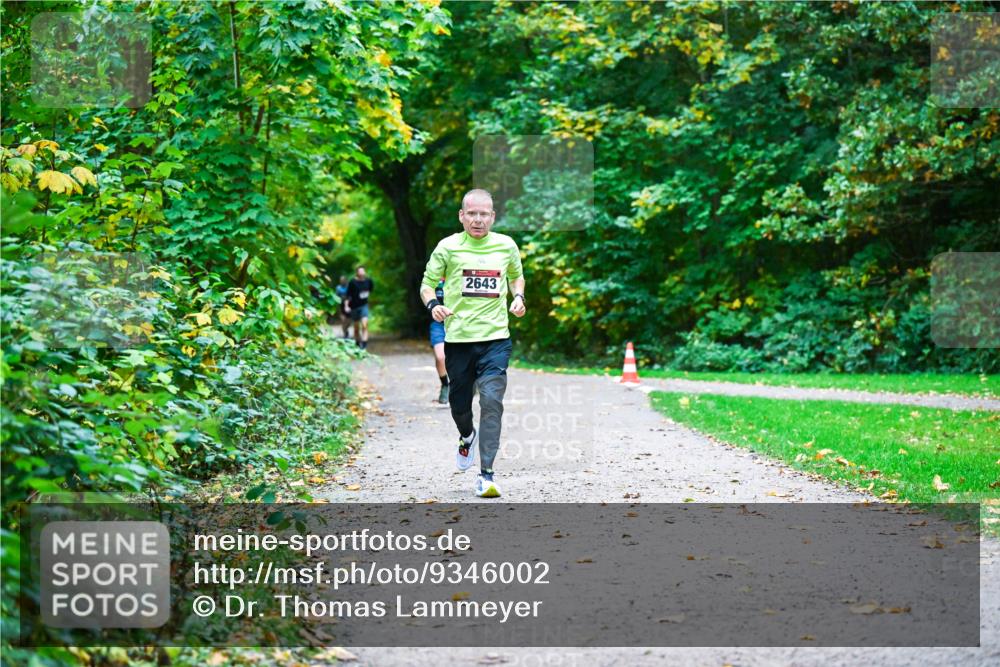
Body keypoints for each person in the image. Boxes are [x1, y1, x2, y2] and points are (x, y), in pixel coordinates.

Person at [419, 188, 525, 498]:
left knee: (491, 402)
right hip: (459, 340)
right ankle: (467, 436)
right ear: (462, 216)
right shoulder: (448, 247)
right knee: (460, 405)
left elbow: (516, 276)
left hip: (496, 339)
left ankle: (486, 475)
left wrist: (519, 296)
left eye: (484, 214)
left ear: (492, 216)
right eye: (472, 214)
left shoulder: (506, 245)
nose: (478, 219)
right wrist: (433, 305)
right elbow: (427, 285)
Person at [429, 277, 449, 404]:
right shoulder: (434, 277)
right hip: (438, 323)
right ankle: (445, 385)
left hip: (459, 322)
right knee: (440, 357)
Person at [346, 265, 373, 350]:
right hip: (354, 306)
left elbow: (370, 290)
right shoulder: (352, 282)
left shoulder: (369, 281)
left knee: (364, 325)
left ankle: (364, 345)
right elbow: (348, 295)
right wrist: (346, 306)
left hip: (364, 305)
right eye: (360, 271)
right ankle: (357, 343)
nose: (362, 273)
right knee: (356, 328)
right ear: (357, 273)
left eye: (363, 271)